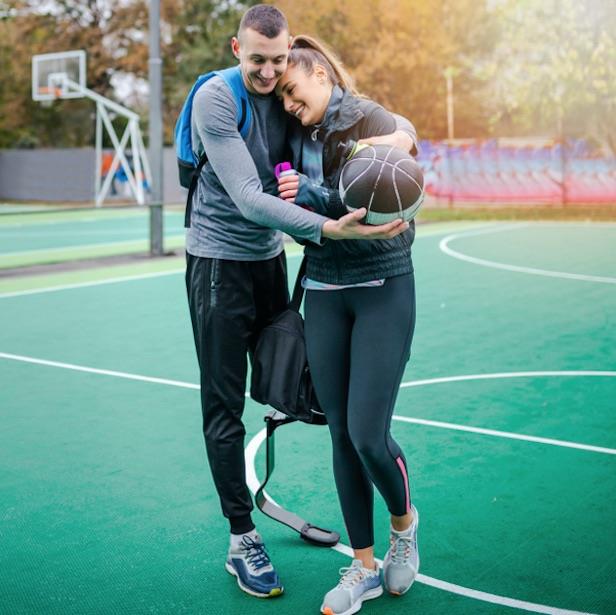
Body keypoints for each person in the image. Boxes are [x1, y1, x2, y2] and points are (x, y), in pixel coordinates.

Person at [185, 4, 418, 600]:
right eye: (258, 61)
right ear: (238, 51)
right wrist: (331, 229)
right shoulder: (219, 97)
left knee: (306, 399)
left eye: (280, 62)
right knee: (225, 402)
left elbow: (380, 129)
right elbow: (247, 196)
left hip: (275, 263)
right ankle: (243, 537)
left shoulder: (298, 99)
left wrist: (399, 135)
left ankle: (394, 535)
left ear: (298, 57)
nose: (270, 77)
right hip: (219, 261)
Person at [275, 36, 420, 614]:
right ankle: (362, 565)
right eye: (279, 95)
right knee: (339, 434)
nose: (287, 103)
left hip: (384, 286)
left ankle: (404, 529)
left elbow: (393, 173)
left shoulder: (365, 116)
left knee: (366, 433)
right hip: (325, 292)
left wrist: (315, 194)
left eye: (292, 89)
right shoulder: (285, 133)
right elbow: (295, 216)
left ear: (318, 71)